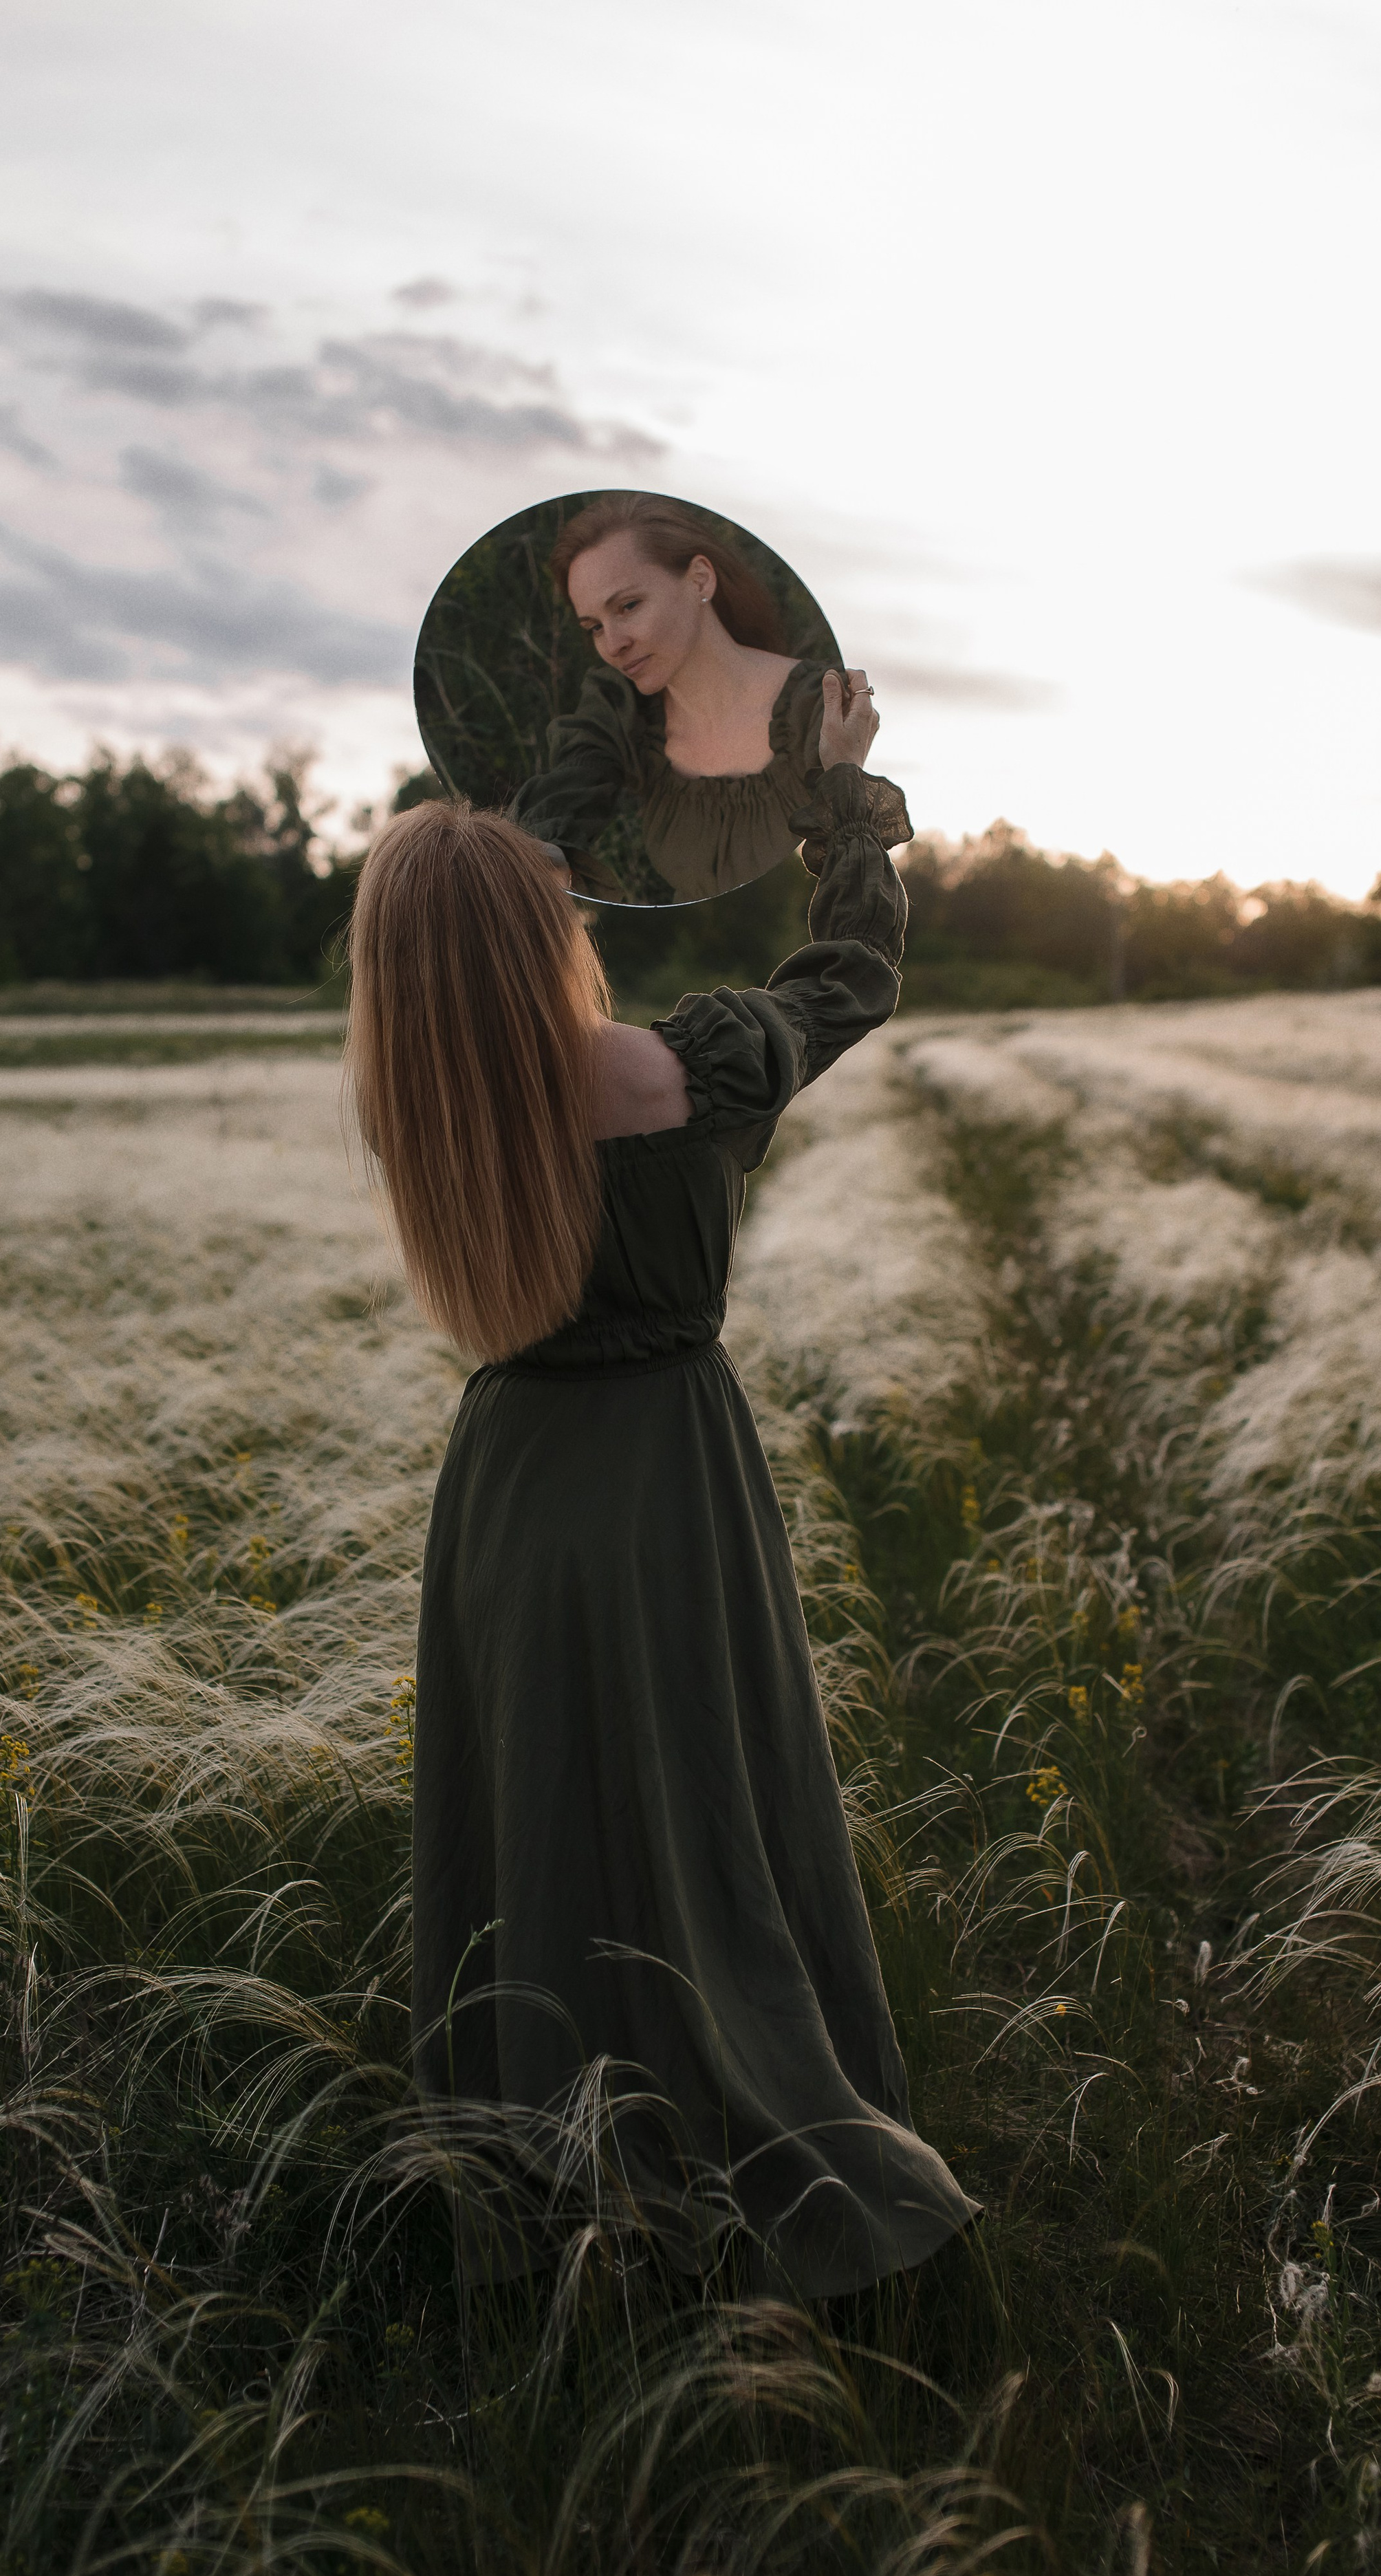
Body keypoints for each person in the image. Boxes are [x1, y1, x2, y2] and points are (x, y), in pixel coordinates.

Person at [346, 669, 975, 2299]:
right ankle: (733, 2141)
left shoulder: (412, 1096)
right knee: (703, 1812)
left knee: (540, 1822)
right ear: (540, 930)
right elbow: (845, 976)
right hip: (660, 1484)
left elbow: (499, 907)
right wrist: (841, 799)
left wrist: (588, 744)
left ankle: (553, 2165)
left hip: (504, 1497)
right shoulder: (663, 1075)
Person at [508, 493, 912, 902]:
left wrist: (845, 771)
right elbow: (565, 795)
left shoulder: (816, 710)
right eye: (594, 626)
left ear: (700, 579)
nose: (613, 644)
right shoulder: (623, 715)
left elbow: (855, 889)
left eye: (629, 606)